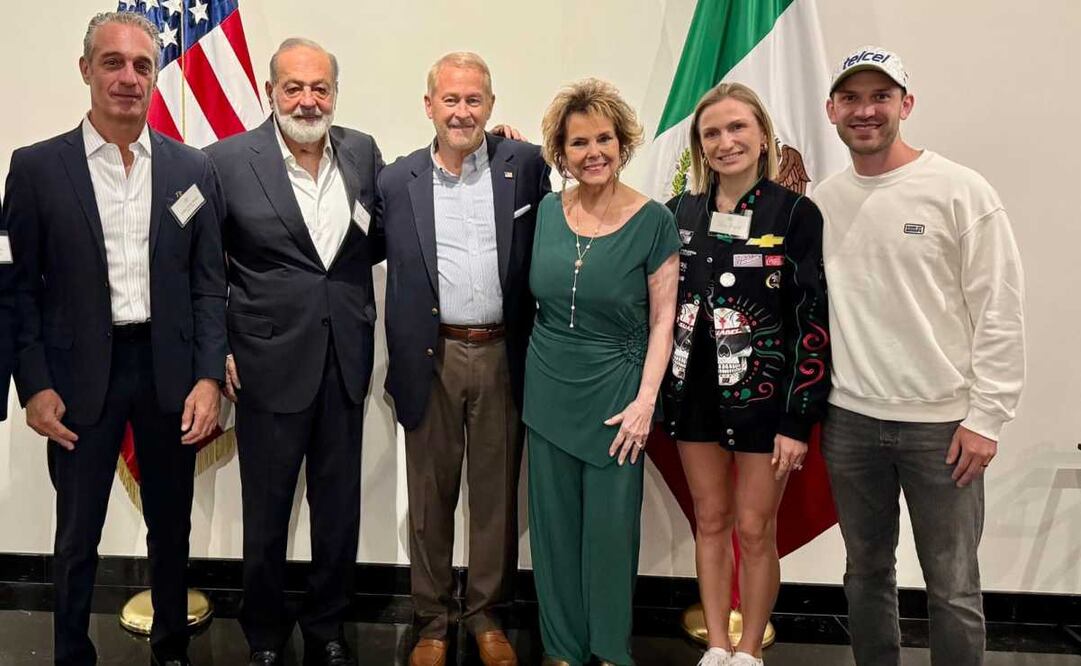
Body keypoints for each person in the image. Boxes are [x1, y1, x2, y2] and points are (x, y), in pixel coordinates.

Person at [3, 11, 226, 666]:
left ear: (156, 75)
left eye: (141, 65)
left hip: (169, 373)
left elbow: (210, 285)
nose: (128, 78)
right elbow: (15, 288)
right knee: (76, 536)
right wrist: (34, 385)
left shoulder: (192, 169)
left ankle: (171, 648)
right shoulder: (37, 168)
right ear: (86, 70)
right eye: (113, 63)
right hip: (76, 380)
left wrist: (209, 376)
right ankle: (71, 650)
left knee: (170, 527)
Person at [816, 46, 1025, 665]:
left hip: (943, 427)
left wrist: (987, 417)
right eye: (851, 98)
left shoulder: (960, 191)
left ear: (906, 104)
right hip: (849, 421)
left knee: (953, 586)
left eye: (880, 96)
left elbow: (1000, 309)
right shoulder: (824, 203)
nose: (865, 110)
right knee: (866, 574)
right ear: (831, 110)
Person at [204, 38, 384, 666]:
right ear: (269, 92)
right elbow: (204, 267)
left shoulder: (362, 151)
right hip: (265, 361)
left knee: (339, 512)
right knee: (268, 511)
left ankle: (329, 626)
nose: (308, 100)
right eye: (294, 88)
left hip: (344, 360)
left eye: (320, 88)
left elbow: (380, 237)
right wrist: (217, 345)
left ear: (335, 92)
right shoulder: (226, 161)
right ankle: (263, 633)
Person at [377, 51, 550, 666]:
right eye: (450, 99)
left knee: (496, 496)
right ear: (429, 106)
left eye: (474, 99)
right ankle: (431, 619)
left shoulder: (525, 166)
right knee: (429, 496)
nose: (462, 111)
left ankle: (485, 615)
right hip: (432, 355)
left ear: (492, 107)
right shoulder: (397, 180)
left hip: (504, 353)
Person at [660, 82, 830, 666]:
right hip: (693, 397)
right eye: (712, 132)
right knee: (710, 522)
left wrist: (798, 417)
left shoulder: (796, 213)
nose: (725, 141)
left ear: (762, 137)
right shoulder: (679, 212)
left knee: (756, 530)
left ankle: (750, 651)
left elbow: (812, 319)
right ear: (699, 145)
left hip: (766, 404)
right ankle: (716, 645)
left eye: (737, 128)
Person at [524, 78, 680, 666]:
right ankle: (561, 650)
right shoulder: (544, 211)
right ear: (561, 153)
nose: (594, 152)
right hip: (547, 385)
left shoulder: (653, 219)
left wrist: (646, 403)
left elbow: (664, 320)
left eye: (605, 139)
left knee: (612, 535)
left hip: (619, 394)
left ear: (623, 143)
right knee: (554, 531)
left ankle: (611, 650)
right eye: (579, 142)